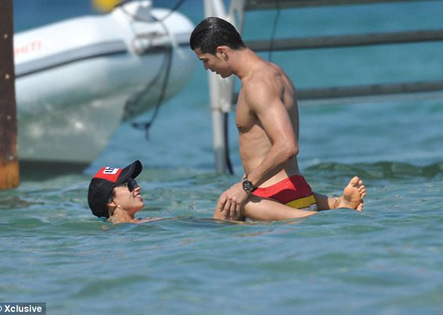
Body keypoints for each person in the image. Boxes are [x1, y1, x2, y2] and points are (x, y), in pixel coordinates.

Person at [190, 17, 367, 221]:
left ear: (222, 52)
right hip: (296, 191)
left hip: (274, 198)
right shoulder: (275, 72)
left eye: (205, 60)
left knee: (225, 209)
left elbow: (287, 146)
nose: (207, 68)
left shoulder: (257, 84)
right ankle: (335, 204)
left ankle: (321, 217)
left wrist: (246, 187)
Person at [87, 160, 159, 224]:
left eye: (134, 182)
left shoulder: (152, 221)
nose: (138, 187)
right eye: (128, 184)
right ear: (111, 202)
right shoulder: (108, 231)